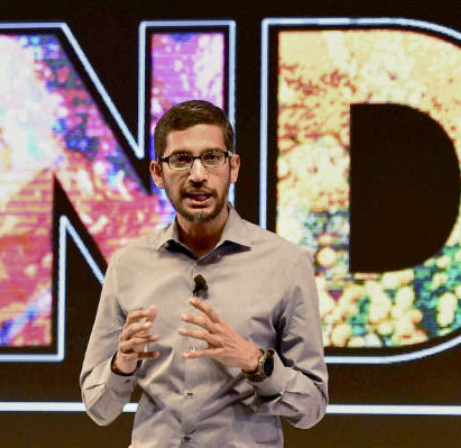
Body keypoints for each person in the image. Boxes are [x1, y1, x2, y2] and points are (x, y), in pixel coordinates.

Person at [80, 100, 328, 447]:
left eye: (212, 157)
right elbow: (98, 407)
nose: (197, 174)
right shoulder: (128, 265)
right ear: (158, 172)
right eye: (181, 159)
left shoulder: (286, 264)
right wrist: (122, 364)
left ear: (233, 167)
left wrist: (255, 362)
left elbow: (312, 407)